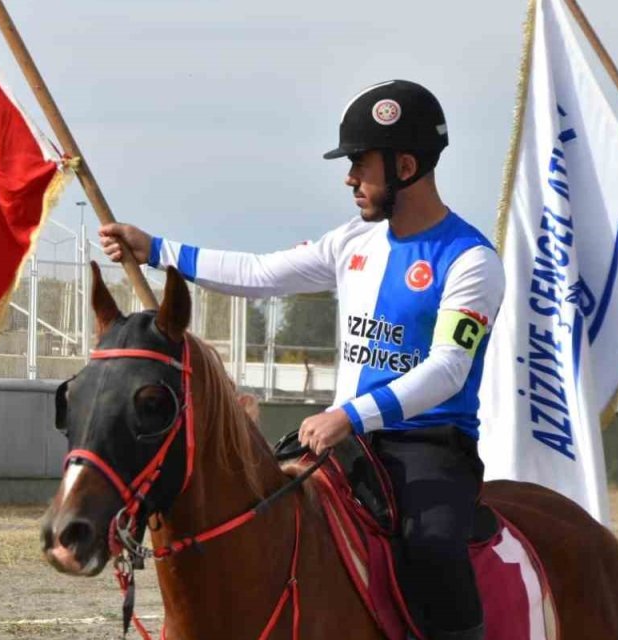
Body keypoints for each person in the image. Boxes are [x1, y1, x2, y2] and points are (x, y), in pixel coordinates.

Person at [99, 80, 502, 640]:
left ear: (406, 165)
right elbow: (262, 274)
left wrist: (350, 415)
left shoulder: (473, 260)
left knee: (433, 551)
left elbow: (448, 369)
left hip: (428, 448)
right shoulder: (352, 243)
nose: (349, 178)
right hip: (343, 442)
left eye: (361, 163)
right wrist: (159, 250)